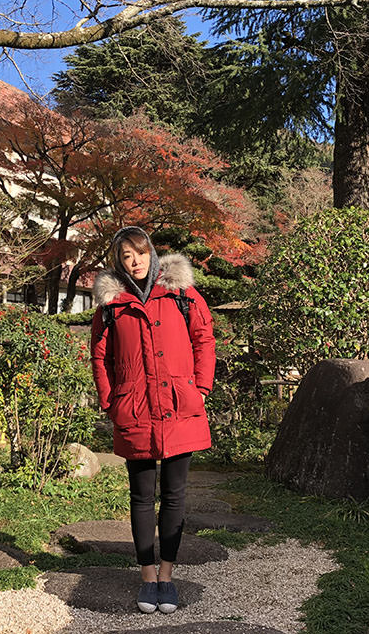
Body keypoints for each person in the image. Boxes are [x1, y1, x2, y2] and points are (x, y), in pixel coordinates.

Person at [90, 226, 216, 614]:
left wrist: (201, 389)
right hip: (135, 409)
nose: (135, 262)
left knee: (175, 495)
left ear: (152, 254)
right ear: (119, 261)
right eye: (127, 256)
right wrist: (111, 400)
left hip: (181, 407)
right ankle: (146, 579)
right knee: (142, 497)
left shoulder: (182, 295)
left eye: (140, 253)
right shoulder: (111, 306)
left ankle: (167, 575)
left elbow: (204, 339)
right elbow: (99, 357)